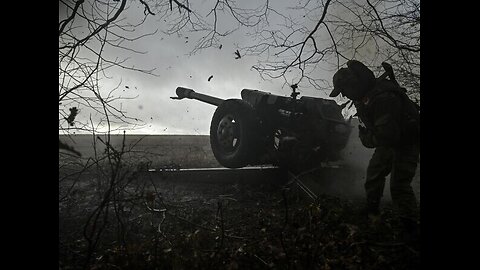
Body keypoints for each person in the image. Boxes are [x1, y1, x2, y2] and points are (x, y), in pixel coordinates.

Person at [329, 60, 420, 241]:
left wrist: (366, 139)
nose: (345, 96)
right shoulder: (366, 95)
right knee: (374, 174)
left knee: (399, 185)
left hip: (407, 141)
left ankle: (411, 227)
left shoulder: (383, 97)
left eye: (344, 91)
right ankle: (371, 210)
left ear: (352, 84)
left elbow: (386, 135)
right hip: (391, 139)